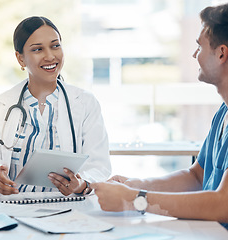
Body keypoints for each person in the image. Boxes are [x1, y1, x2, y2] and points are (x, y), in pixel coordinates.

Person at [91, 3, 228, 229]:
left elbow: (224, 204)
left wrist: (134, 199)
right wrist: (136, 184)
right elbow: (196, 177)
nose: (194, 54)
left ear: (221, 53)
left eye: (199, 47)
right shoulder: (223, 112)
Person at [0, 16, 111, 196]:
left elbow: (99, 167)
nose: (50, 56)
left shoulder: (85, 103)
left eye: (55, 45)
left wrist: (81, 184)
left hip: (69, 209)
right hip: (15, 207)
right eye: (38, 49)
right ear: (20, 59)